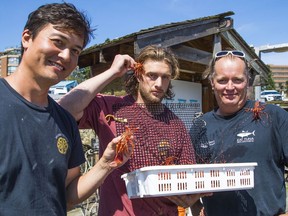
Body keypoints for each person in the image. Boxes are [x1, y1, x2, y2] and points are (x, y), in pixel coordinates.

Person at [0, 3, 133, 216]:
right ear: (27, 38)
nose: (65, 56)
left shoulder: (65, 121)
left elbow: (66, 196)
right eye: (57, 42)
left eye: (75, 50)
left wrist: (106, 164)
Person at [59, 45, 210, 215]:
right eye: (152, 75)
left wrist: (192, 197)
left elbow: (186, 177)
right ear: (138, 74)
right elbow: (64, 108)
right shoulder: (111, 108)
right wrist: (112, 72)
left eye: (165, 77)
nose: (159, 84)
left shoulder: (176, 125)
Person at [190, 50, 288, 215]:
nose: (230, 87)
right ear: (212, 82)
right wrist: (196, 207)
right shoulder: (200, 126)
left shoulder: (274, 116)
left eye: (237, 80)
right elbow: (190, 178)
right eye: (222, 80)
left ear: (247, 81)